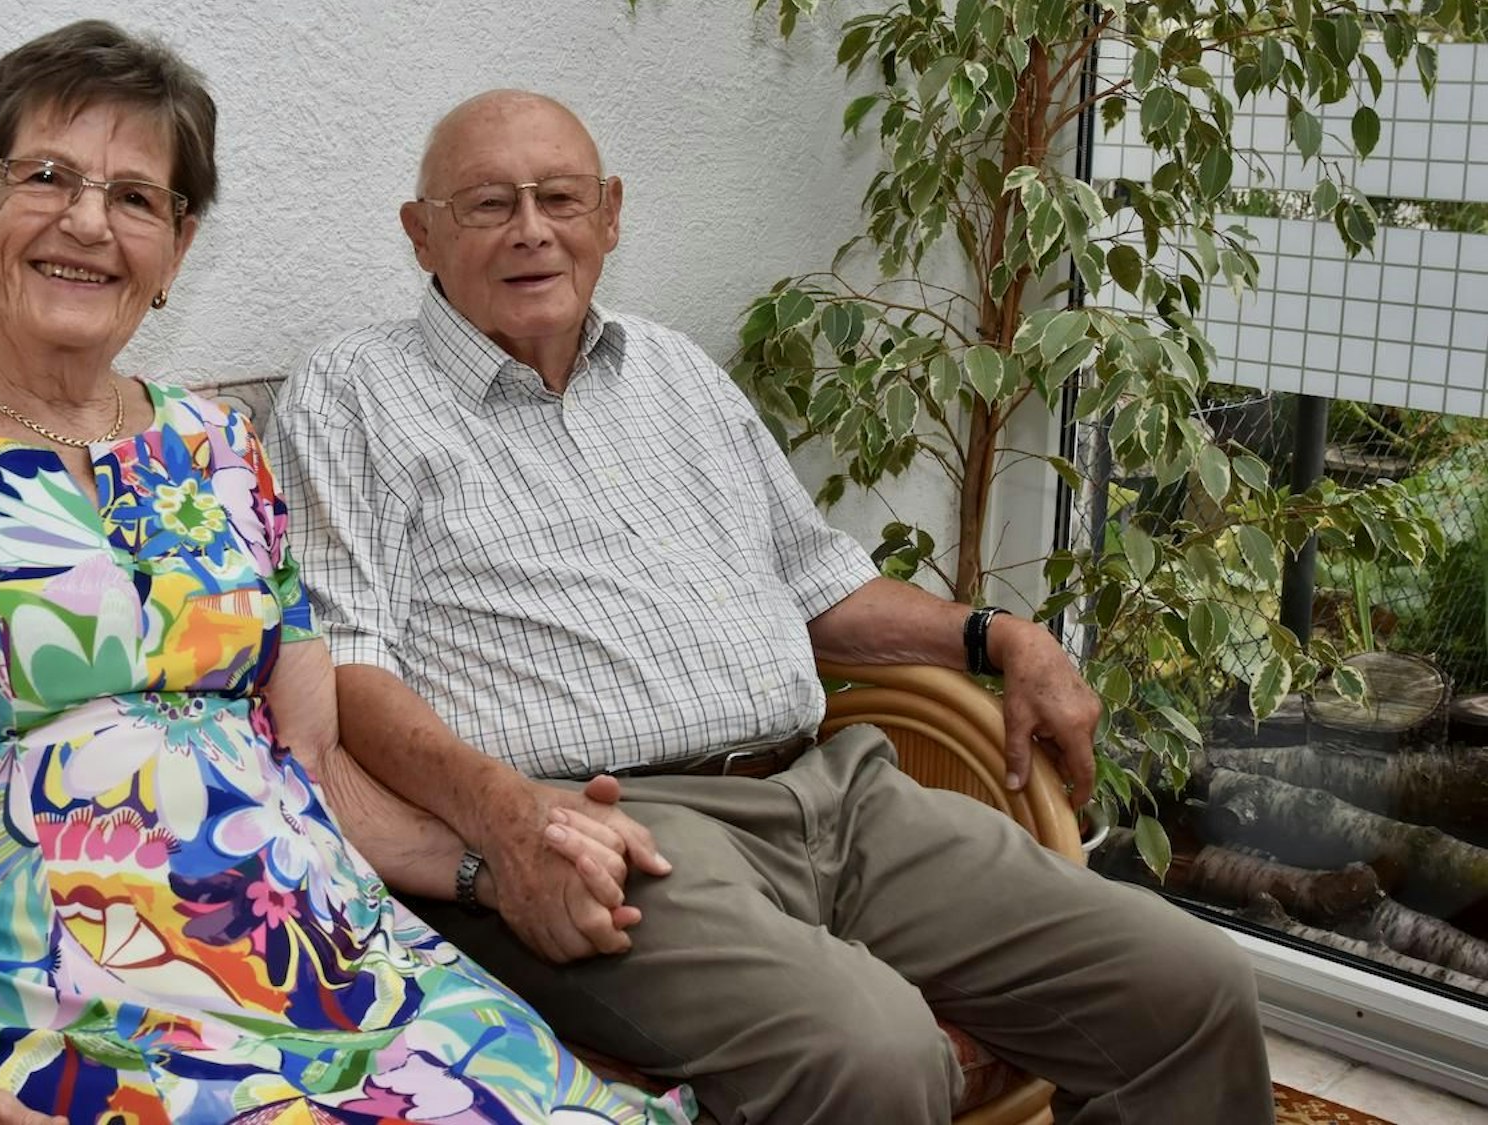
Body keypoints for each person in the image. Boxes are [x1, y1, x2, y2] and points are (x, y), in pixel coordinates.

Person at [0, 29, 693, 1125]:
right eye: (46, 177)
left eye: (138, 198)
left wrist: (503, 862)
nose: (89, 223)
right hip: (82, 1019)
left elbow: (314, 762)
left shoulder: (223, 448)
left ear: (176, 249)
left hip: (343, 979)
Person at [265, 88, 1275, 1124]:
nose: (531, 229)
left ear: (608, 215)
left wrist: (997, 635)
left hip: (837, 793)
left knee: (1188, 986)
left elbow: (815, 581)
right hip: (607, 835)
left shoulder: (672, 371)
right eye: (486, 204)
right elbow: (345, 666)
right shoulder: (351, 394)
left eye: (558, 197)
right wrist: (506, 822)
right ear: (418, 232)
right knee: (871, 1054)